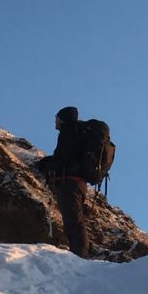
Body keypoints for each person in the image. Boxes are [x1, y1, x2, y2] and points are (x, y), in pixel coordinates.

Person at [38, 106, 90, 257]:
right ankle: (79, 252)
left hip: (69, 182)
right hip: (79, 183)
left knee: (73, 221)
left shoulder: (69, 132)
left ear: (63, 118)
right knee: (75, 220)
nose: (55, 122)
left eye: (57, 118)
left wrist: (46, 164)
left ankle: (80, 255)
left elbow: (63, 158)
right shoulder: (79, 132)